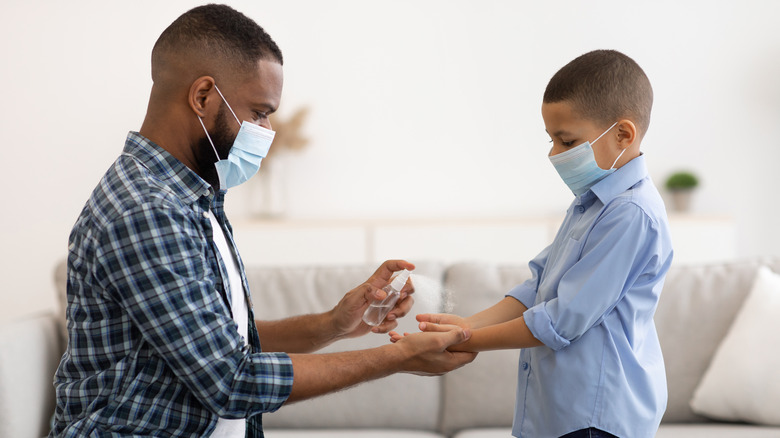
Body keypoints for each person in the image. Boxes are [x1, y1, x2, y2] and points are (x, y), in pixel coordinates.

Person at [51, 4, 476, 437]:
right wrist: (399, 358)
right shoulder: (147, 211)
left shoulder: (195, 198)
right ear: (202, 97)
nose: (267, 129)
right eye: (258, 112)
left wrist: (335, 324)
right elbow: (231, 380)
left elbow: (222, 342)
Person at [392, 50, 673, 438]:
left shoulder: (631, 214)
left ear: (623, 134)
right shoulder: (590, 202)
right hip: (558, 414)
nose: (554, 153)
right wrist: (467, 324)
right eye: (552, 140)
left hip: (595, 418)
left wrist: (464, 339)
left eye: (566, 140)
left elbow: (561, 319)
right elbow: (537, 287)